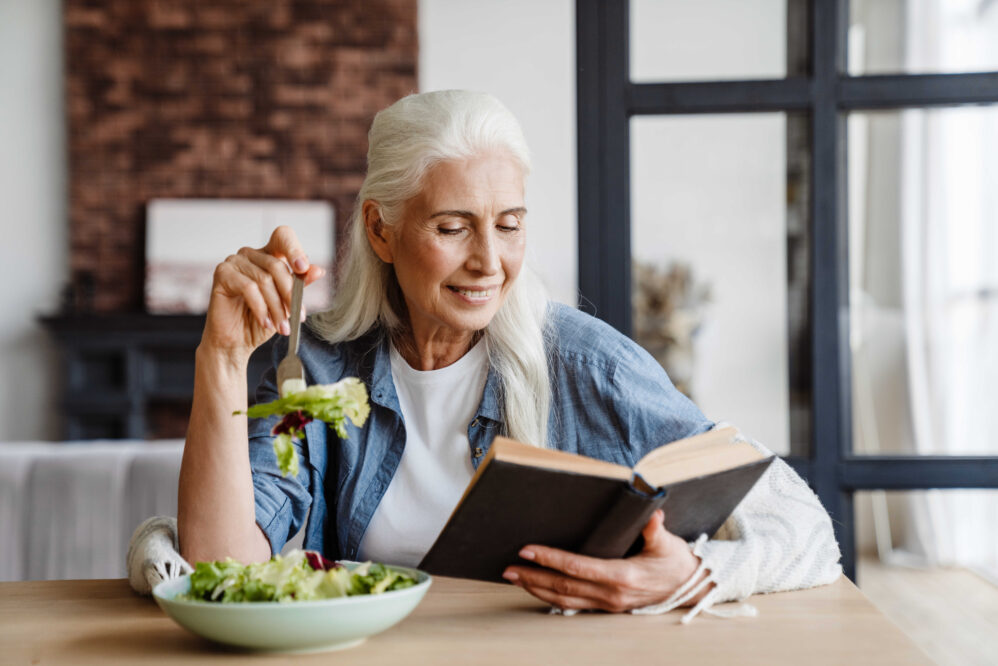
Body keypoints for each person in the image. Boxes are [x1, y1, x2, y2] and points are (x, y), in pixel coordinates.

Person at [178, 90, 841, 621]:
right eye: (452, 226)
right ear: (382, 231)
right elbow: (220, 567)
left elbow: (804, 526)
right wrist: (222, 359)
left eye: (509, 225)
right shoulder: (315, 369)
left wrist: (697, 575)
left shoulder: (588, 365)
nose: (489, 262)